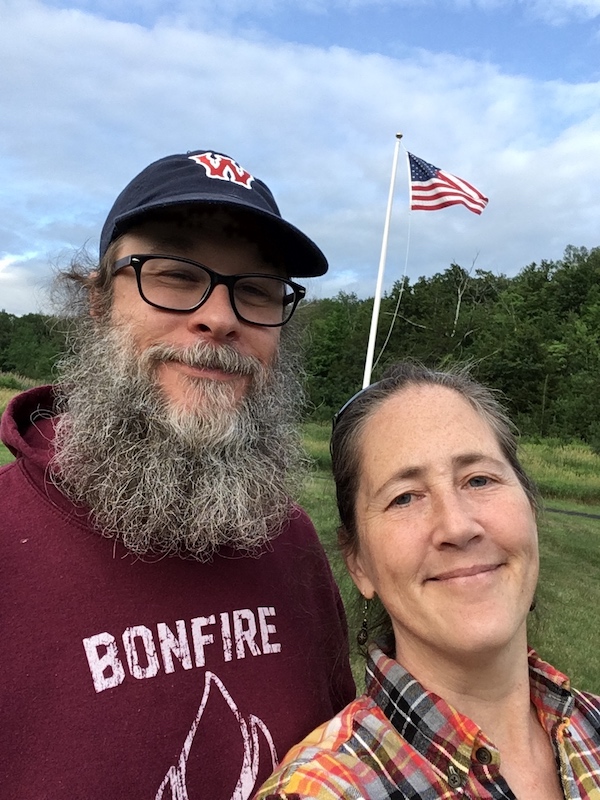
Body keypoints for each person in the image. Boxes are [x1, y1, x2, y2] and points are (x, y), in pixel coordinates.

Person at [0, 149, 355, 799]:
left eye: (255, 289)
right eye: (172, 274)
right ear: (99, 302)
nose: (220, 317)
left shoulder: (294, 543)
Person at [256, 362, 600, 799]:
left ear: (530, 508)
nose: (457, 527)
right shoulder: (323, 790)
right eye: (405, 498)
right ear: (358, 562)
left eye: (478, 479)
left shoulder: (593, 728)